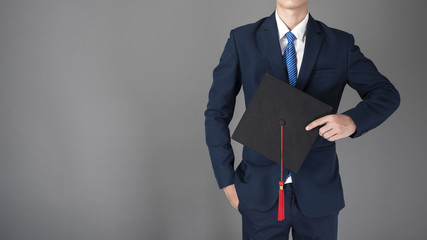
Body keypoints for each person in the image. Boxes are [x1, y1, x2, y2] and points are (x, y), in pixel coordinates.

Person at [204, 0, 400, 239]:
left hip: (319, 192)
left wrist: (352, 121)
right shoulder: (242, 40)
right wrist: (226, 179)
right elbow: (216, 112)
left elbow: (387, 94)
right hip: (258, 191)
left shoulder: (339, 43)